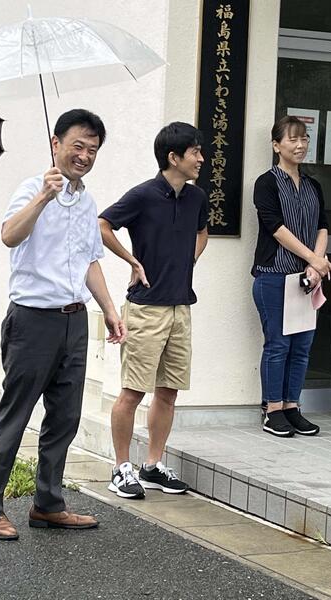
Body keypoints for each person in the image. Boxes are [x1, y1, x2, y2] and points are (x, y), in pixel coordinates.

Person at [0, 109, 126, 540]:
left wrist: (109, 309)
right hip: (32, 321)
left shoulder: (87, 201)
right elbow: (9, 235)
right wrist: (44, 196)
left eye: (92, 150)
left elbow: (90, 261)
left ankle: (48, 504)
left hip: (74, 321)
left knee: (65, 417)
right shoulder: (31, 188)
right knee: (16, 414)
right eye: (78, 145)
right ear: (56, 143)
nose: (84, 156)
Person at [98, 122, 208, 499]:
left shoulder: (196, 197)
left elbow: (202, 232)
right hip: (145, 309)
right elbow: (103, 225)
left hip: (181, 307)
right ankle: (121, 468)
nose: (201, 158)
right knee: (132, 392)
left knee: (168, 392)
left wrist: (189, 261)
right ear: (173, 157)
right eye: (195, 152)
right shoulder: (143, 195)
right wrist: (132, 260)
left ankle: (153, 465)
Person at [251, 116, 331, 438]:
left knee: (302, 346)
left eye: (304, 139)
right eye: (292, 139)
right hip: (274, 275)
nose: (300, 145)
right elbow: (275, 228)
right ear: (276, 145)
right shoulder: (266, 183)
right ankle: (272, 410)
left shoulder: (313, 185)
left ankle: (291, 407)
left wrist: (316, 265)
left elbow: (323, 225)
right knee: (278, 345)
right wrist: (313, 259)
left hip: (307, 279)